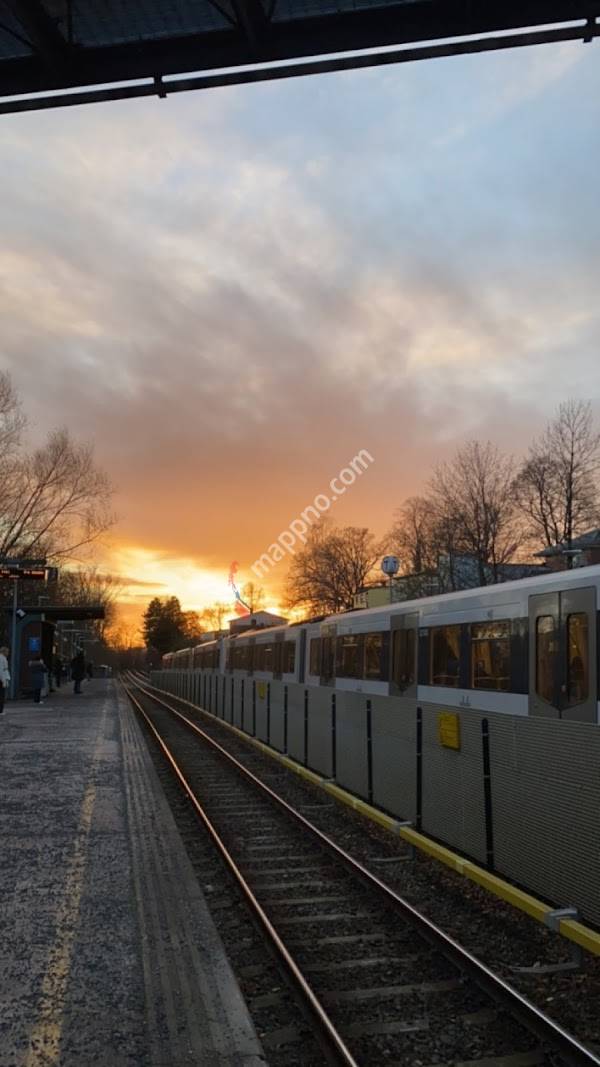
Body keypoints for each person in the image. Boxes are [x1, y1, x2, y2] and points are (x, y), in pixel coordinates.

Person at [0, 646, 10, 713]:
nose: (8, 653)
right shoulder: (2, 658)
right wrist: (4, 680)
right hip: (1, 679)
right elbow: (1, 670)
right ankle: (0, 710)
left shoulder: (3, 658)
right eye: (7, 652)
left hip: (2, 677)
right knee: (1, 695)